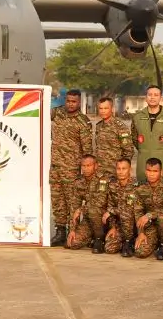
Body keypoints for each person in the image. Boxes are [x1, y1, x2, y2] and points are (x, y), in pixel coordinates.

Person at [48, 89, 90, 245]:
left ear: (79, 102)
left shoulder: (83, 121)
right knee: (57, 200)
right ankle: (60, 231)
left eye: (74, 101)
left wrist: (85, 171)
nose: (70, 104)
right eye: (68, 101)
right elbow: (39, 112)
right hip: (56, 167)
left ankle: (72, 231)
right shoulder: (57, 113)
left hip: (71, 169)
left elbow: (87, 150)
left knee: (72, 201)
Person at [127, 86, 163, 182]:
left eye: (156, 95)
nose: (152, 97)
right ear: (146, 98)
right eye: (150, 95)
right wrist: (145, 150)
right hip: (144, 162)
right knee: (143, 192)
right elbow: (135, 139)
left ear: (161, 98)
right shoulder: (137, 117)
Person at [93, 96, 133, 179]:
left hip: (115, 172)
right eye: (101, 108)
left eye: (106, 108)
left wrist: (123, 170)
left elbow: (128, 151)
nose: (103, 111)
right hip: (100, 172)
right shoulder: (99, 126)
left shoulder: (120, 127)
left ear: (112, 109)